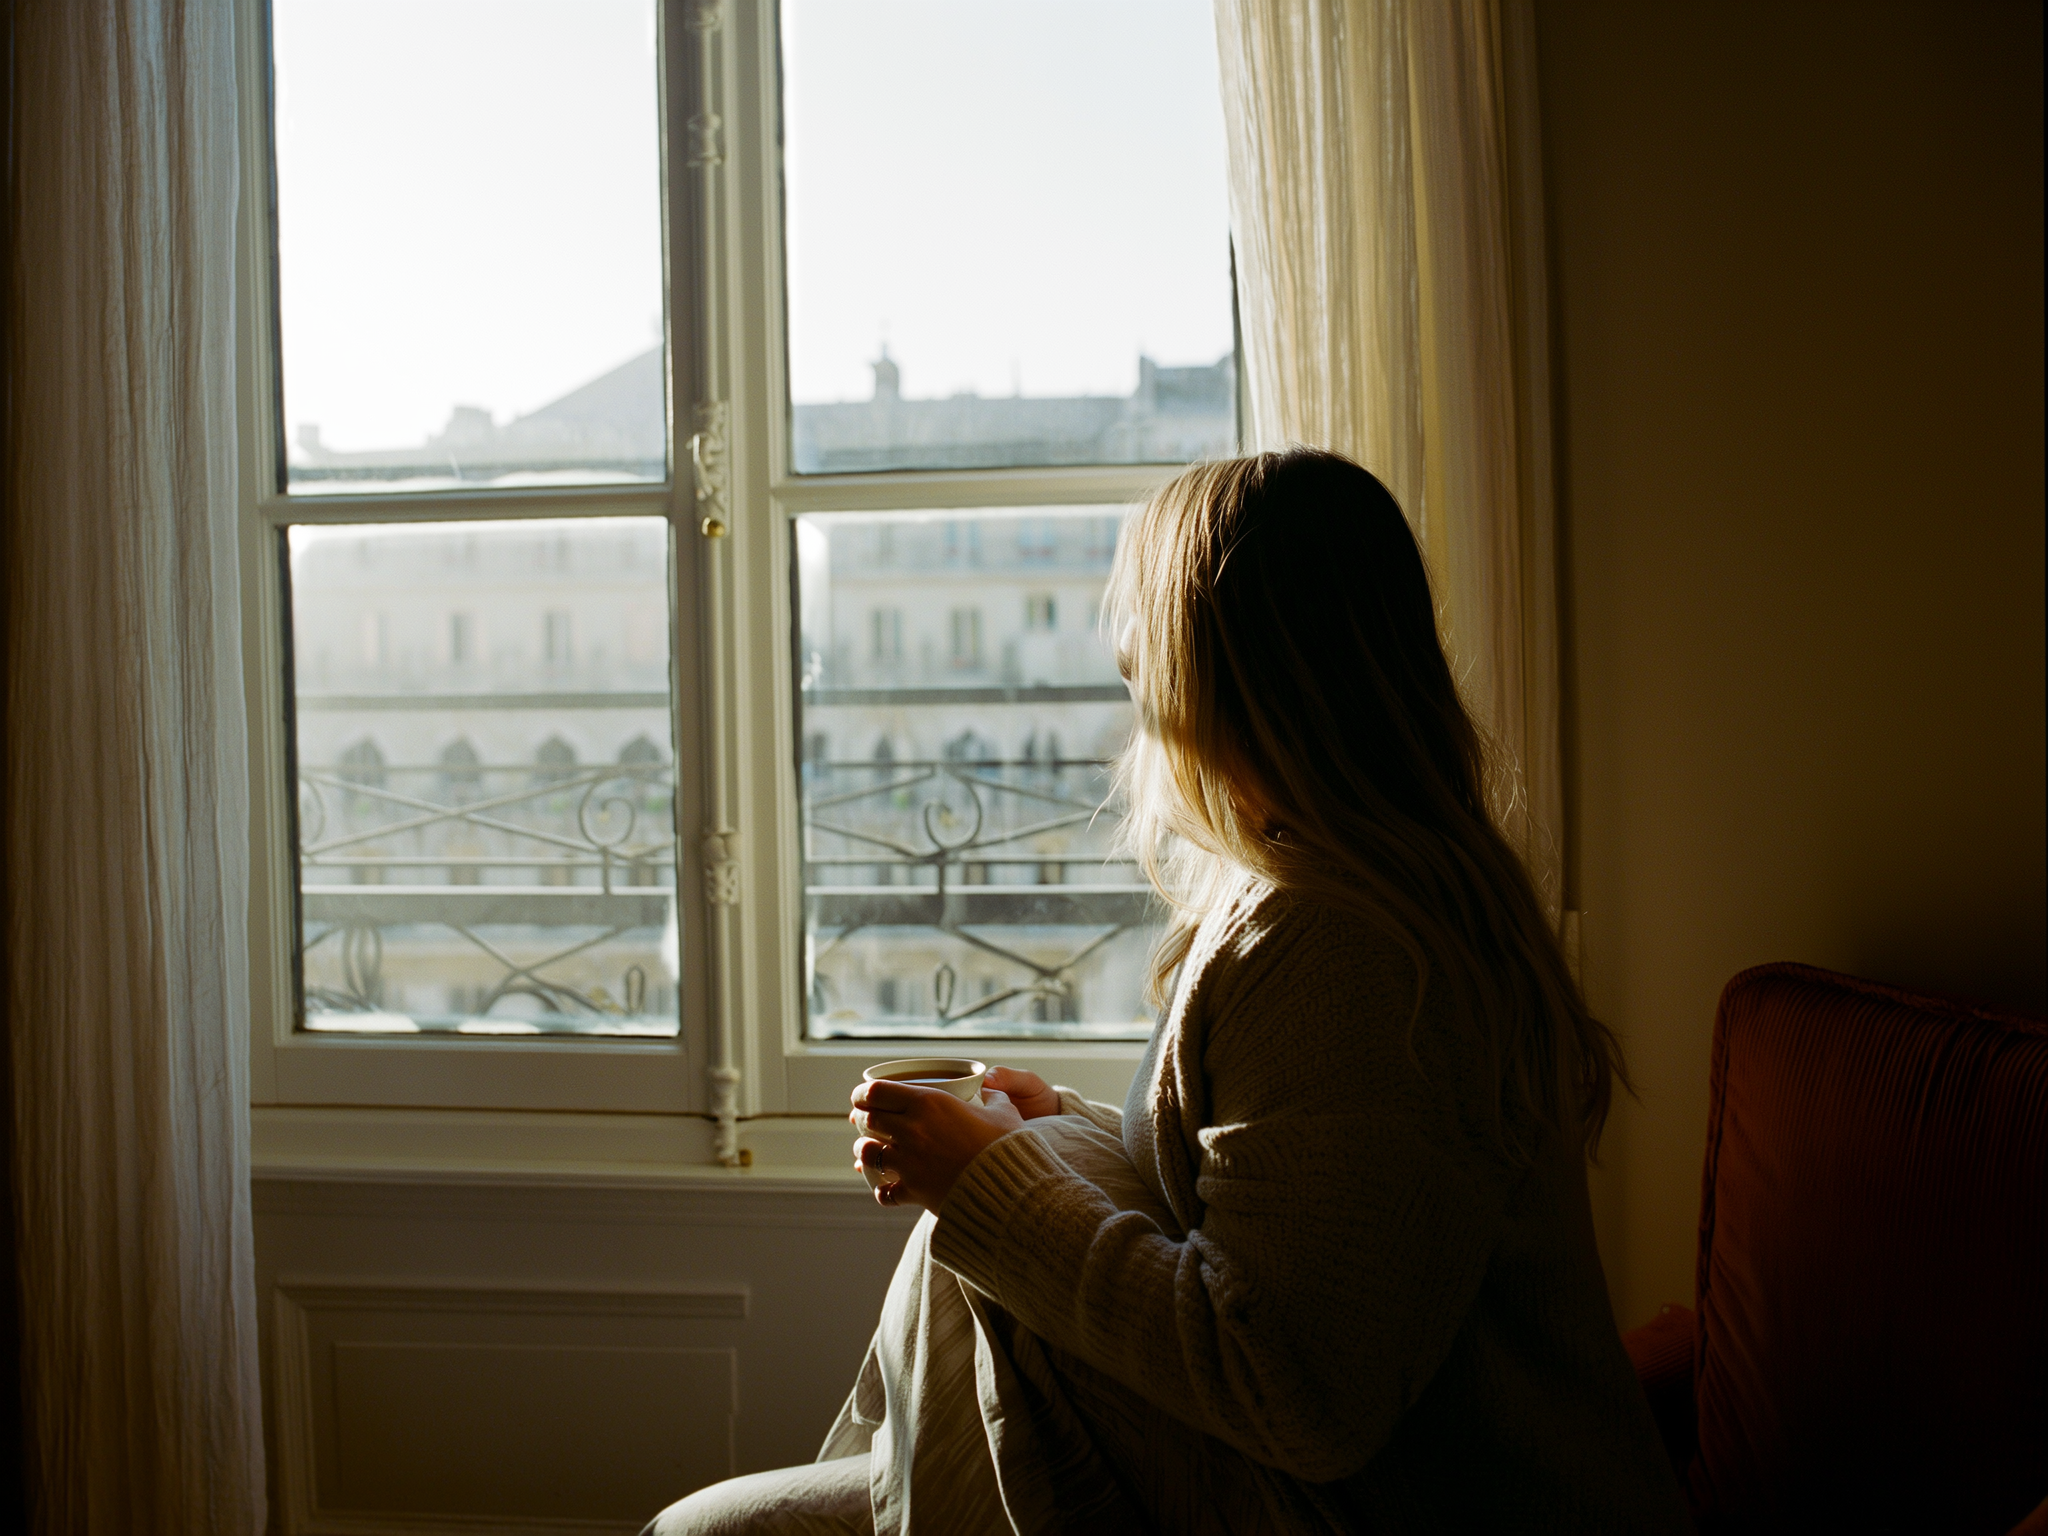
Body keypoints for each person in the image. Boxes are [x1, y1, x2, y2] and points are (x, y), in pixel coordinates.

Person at [648, 449, 1690, 1534]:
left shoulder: (1345, 948)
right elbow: (1279, 1203)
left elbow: (1296, 1397)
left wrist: (990, 1188)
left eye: (1147, 674)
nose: (1136, 704)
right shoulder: (1336, 894)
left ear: (1222, 684)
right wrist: (1058, 1130)